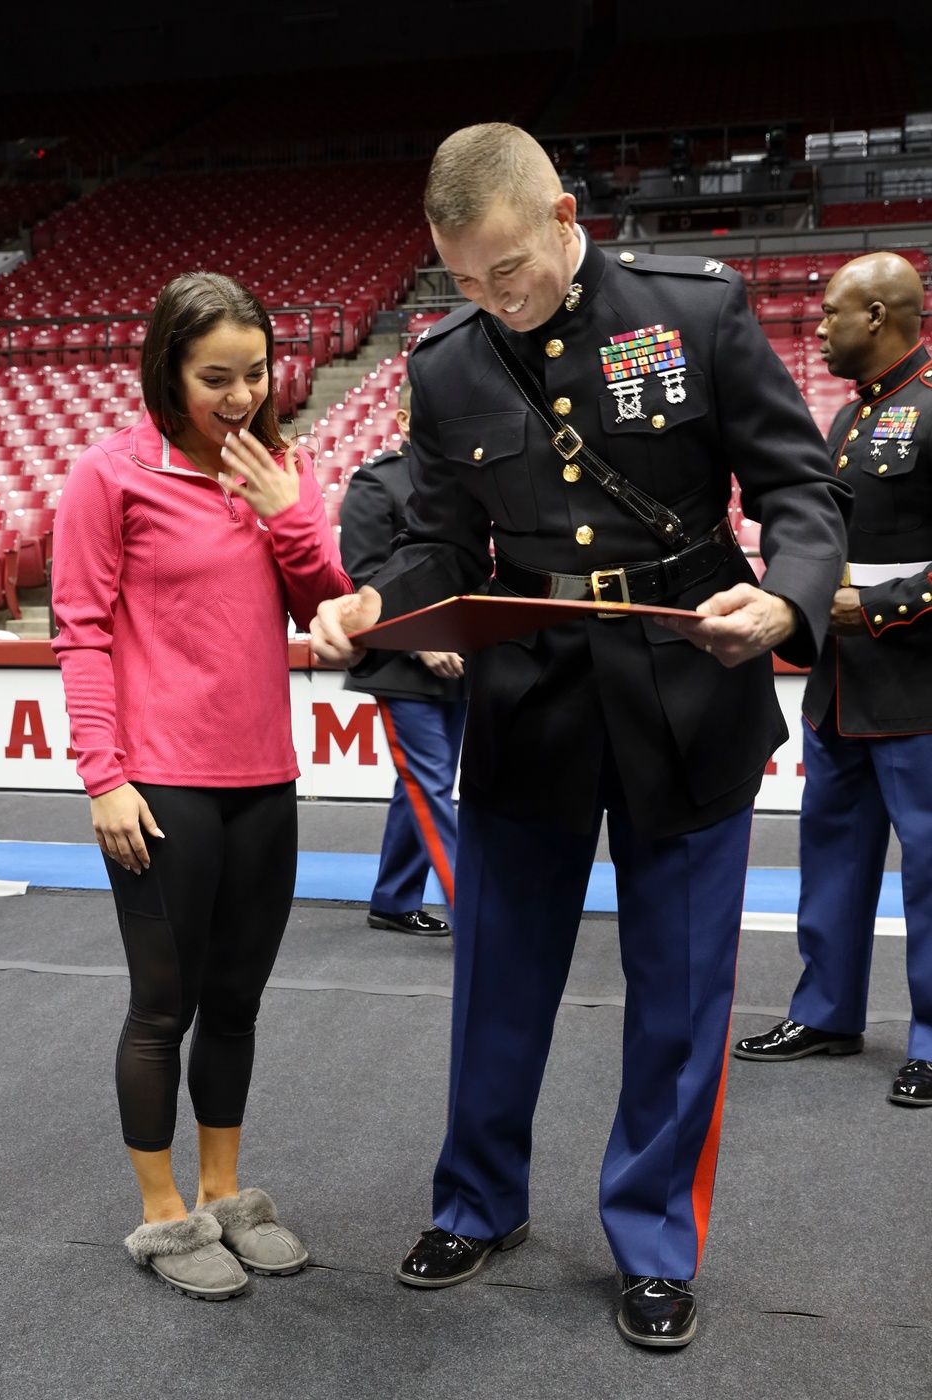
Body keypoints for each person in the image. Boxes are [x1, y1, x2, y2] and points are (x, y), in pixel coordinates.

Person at [309, 123, 850, 1349]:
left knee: (678, 990)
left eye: (510, 271)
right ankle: (478, 1199)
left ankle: (652, 1239)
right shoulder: (448, 364)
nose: (495, 301)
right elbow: (439, 542)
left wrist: (782, 596)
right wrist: (374, 602)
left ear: (562, 213)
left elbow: (801, 490)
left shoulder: (692, 313)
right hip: (534, 696)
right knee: (498, 977)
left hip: (689, 684)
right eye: (465, 281)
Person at [51, 272, 353, 1299]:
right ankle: (163, 1211)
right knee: (162, 1006)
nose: (238, 395)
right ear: (167, 372)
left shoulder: (282, 472)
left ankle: (223, 1192)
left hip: (263, 775)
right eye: (213, 376)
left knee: (237, 1000)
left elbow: (331, 608)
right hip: (159, 784)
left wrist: (287, 512)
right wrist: (103, 777)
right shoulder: (110, 475)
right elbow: (81, 634)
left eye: (254, 373)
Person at [734, 251, 932, 1108]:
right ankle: (826, 1012)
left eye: (831, 315)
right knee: (831, 856)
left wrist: (878, 608)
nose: (818, 328)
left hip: (918, 681)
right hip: (843, 686)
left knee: (930, 869)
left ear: (880, 316)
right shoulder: (849, 419)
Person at [339, 376, 466, 936]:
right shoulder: (375, 483)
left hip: (462, 661)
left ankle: (393, 898)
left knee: (420, 783)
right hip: (402, 665)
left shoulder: (465, 482)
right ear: (406, 420)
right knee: (432, 785)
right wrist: (419, 642)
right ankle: (477, 911)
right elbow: (363, 582)